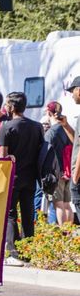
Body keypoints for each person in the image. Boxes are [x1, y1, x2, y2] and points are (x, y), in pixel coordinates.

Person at [0, 91, 44, 266]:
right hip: (31, 178)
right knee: (28, 213)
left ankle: (12, 252)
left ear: (10, 107)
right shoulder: (37, 126)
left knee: (10, 214)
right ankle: (29, 250)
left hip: (12, 177)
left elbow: (3, 157)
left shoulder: (7, 127)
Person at [45, 101, 74, 225]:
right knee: (67, 204)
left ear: (49, 112)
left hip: (57, 171)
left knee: (58, 204)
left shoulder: (51, 132)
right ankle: (70, 231)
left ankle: (63, 232)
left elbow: (46, 151)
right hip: (69, 170)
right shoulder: (67, 128)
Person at [67, 78, 80, 223]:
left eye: (72, 91)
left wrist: (75, 177)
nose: (72, 95)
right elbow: (76, 141)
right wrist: (66, 126)